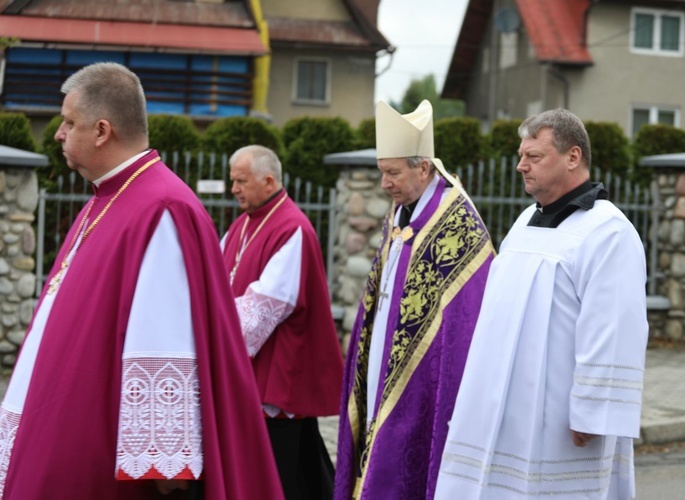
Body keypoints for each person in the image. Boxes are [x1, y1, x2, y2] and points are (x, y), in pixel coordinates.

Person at [0, 62, 283, 499]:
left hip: (106, 462)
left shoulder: (160, 208)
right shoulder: (107, 197)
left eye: (68, 122)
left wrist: (162, 467)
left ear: (101, 130)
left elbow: (162, 340)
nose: (58, 133)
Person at [435, 108, 649, 499]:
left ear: (573, 157)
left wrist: (593, 410)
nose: (521, 166)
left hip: (561, 418)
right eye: (521, 156)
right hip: (502, 406)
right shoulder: (523, 223)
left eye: (533, 157)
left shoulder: (608, 232)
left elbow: (614, 325)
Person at [334, 100, 495, 499]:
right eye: (382, 173)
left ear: (422, 168)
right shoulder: (401, 211)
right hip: (381, 363)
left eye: (392, 173)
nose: (385, 183)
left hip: (424, 372)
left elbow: (466, 316)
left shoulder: (457, 222)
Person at [221, 145, 344, 500]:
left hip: (276, 372)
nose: (234, 189)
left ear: (268, 180)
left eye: (241, 181)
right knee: (298, 464)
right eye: (233, 181)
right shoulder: (240, 226)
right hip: (250, 371)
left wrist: (217, 340)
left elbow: (267, 306)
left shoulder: (293, 229)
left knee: (284, 471)